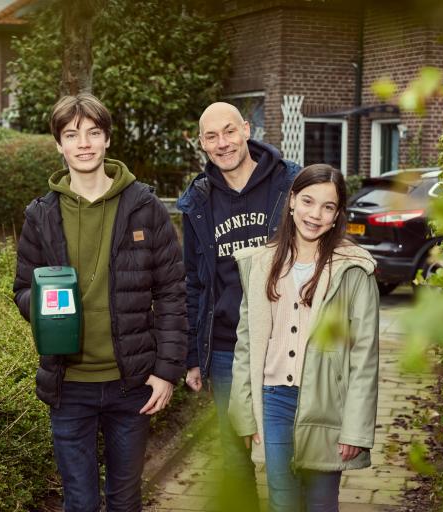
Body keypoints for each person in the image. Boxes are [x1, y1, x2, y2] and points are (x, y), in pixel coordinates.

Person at [13, 93, 187, 512]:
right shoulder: (41, 215)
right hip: (68, 384)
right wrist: (43, 304)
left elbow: (172, 292)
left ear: (107, 139)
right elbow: (20, 289)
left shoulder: (144, 207)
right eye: (72, 134)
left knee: (125, 501)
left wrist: (165, 372)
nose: (84, 142)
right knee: (80, 502)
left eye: (93, 132)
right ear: (59, 144)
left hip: (131, 384)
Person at [228, 164, 379, 512]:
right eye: (308, 201)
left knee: (322, 501)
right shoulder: (261, 263)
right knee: (282, 498)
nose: (315, 214)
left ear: (337, 214)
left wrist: (355, 429)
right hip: (273, 401)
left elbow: (364, 355)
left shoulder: (353, 269)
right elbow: (246, 344)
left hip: (326, 404)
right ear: (292, 201)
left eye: (328, 207)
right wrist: (246, 413)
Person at [177, 101, 300, 509]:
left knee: (287, 460)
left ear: (247, 129)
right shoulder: (197, 201)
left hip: (286, 345)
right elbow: (192, 282)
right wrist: (194, 357)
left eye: (229, 131)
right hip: (228, 349)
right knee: (234, 458)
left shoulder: (290, 184)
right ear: (201, 143)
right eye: (211, 136)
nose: (222, 143)